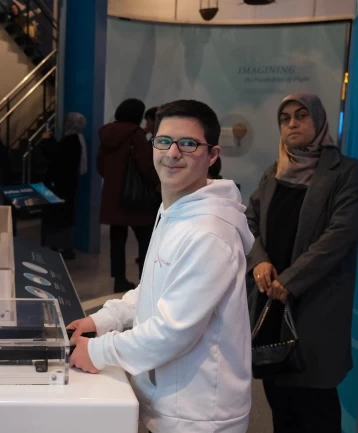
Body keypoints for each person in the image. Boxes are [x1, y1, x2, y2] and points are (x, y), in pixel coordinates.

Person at [69, 100, 254, 433]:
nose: (172, 153)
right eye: (163, 141)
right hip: (170, 402)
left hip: (198, 416)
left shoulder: (208, 233)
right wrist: (104, 319)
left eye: (188, 143)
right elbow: (153, 289)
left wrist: (98, 351)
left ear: (212, 155)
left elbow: (172, 331)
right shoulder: (175, 207)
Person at [245, 92, 358, 433]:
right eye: (285, 118)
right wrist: (259, 261)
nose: (292, 123)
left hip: (316, 301)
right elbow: (249, 222)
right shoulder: (274, 173)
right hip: (271, 300)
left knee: (317, 403)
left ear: (319, 120)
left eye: (301, 115)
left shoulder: (346, 172)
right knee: (280, 400)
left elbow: (340, 235)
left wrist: (291, 280)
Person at [98, 98, 160, 293]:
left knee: (117, 240)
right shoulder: (136, 134)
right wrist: (156, 183)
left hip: (113, 196)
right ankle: (144, 280)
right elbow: (145, 166)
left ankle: (119, 280)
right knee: (145, 238)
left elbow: (100, 165)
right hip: (135, 197)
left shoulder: (106, 133)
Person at [38, 113, 87, 260]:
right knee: (64, 216)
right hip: (67, 186)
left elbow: (55, 155)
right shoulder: (75, 140)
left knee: (59, 217)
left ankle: (59, 246)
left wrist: (45, 140)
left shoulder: (71, 141)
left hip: (60, 186)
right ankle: (63, 246)